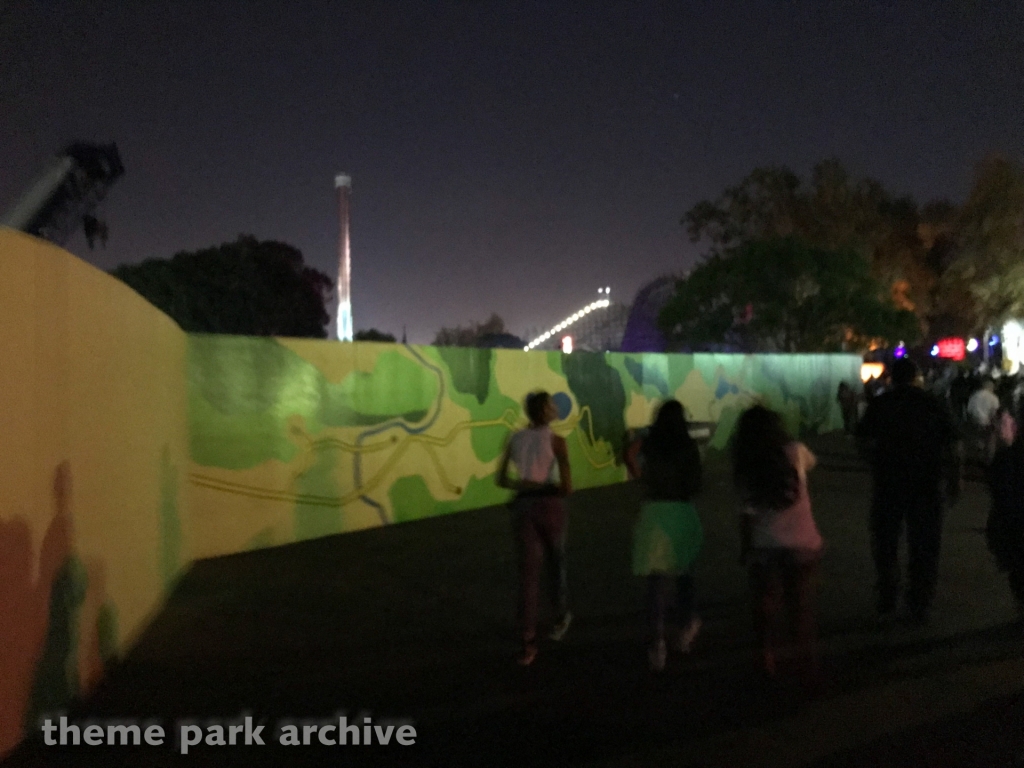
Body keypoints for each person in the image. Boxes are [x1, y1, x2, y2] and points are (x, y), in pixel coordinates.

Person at [856, 358, 959, 625]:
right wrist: (954, 480)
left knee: (886, 541)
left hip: (888, 482)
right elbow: (954, 445)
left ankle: (888, 593)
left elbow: (862, 440)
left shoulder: (881, 403)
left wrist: (875, 463)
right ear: (916, 377)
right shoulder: (932, 403)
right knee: (924, 544)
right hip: (926, 483)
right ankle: (919, 601)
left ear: (891, 377)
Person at [733, 405, 824, 680]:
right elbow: (812, 463)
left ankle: (766, 657)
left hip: (764, 545)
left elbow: (746, 514)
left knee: (764, 604)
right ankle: (803, 659)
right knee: (799, 603)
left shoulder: (746, 464)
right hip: (802, 542)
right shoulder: (795, 452)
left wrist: (745, 548)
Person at [624, 400, 703, 672]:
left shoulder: (650, 442)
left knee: (656, 581)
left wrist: (642, 478)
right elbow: (696, 483)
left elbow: (629, 454)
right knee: (684, 574)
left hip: (654, 511)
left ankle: (657, 643)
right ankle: (685, 629)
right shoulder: (688, 446)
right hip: (680, 509)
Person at [496, 391, 573, 666]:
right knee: (556, 564)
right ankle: (560, 617)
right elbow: (566, 488)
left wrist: (525, 486)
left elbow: (502, 479)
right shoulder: (557, 441)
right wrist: (544, 487)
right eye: (551, 405)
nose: (555, 408)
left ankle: (527, 643)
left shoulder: (515, 438)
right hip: (551, 507)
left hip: (522, 509)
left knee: (528, 577)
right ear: (544, 411)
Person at [987, 403, 1024, 621]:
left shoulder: (1006, 458)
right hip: (1013, 523)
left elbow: (997, 493)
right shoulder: (1007, 458)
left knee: (1018, 570)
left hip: (1013, 525)